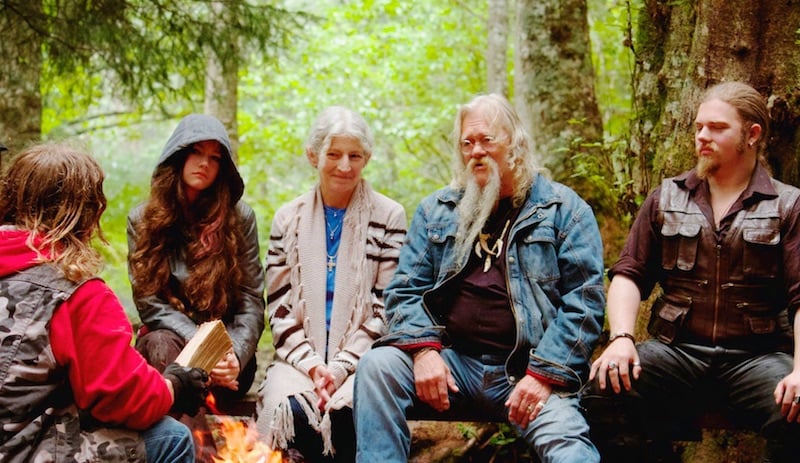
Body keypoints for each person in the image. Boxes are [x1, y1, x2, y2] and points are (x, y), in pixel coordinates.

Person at [353, 93, 605, 462]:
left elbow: (585, 304)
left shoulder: (564, 211)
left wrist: (543, 376)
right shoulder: (438, 211)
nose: (476, 151)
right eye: (467, 143)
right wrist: (424, 351)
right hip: (455, 364)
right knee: (376, 368)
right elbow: (404, 290)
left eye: (488, 140)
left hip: (527, 373)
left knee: (572, 454)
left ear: (515, 143)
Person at [585, 81, 800, 462]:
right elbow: (629, 274)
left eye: (717, 128)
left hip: (757, 358)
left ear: (752, 135)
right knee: (604, 388)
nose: (702, 136)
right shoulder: (666, 197)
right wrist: (621, 338)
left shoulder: (788, 205)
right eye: (699, 127)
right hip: (676, 353)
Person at [0, 142, 209, 463]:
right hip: (20, 450)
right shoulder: (77, 293)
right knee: (172, 437)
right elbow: (124, 399)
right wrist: (174, 386)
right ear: (87, 214)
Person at [254, 106, 407, 462]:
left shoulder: (390, 217)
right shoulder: (287, 218)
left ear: (366, 158)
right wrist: (312, 366)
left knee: (348, 416)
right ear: (313, 155)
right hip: (298, 362)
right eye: (333, 154)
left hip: (361, 362)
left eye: (355, 155)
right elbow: (278, 306)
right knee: (291, 414)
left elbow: (388, 307)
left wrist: (339, 368)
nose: (344, 166)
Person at [127, 114, 265, 406]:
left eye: (214, 158)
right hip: (170, 352)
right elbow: (149, 303)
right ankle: (197, 452)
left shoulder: (240, 218)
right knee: (160, 345)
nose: (205, 163)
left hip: (228, 363)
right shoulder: (142, 220)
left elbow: (251, 299)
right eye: (196, 152)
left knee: (197, 365)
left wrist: (235, 355)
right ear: (177, 155)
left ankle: (198, 449)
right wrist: (202, 346)